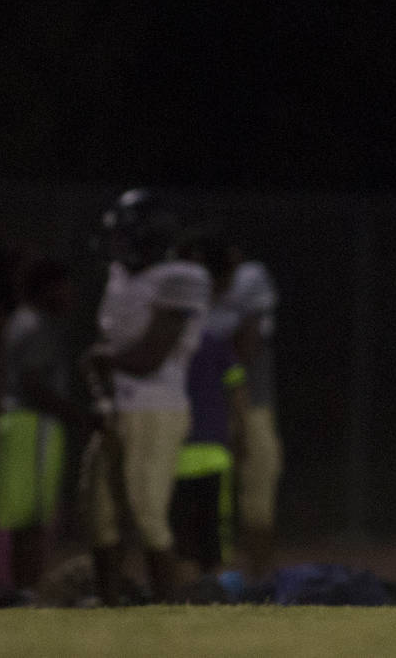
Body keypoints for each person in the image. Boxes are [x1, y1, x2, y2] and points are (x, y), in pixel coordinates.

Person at [82, 188, 211, 604]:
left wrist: (103, 362)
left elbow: (150, 356)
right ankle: (108, 605)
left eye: (125, 234)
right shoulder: (119, 277)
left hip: (156, 409)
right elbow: (110, 348)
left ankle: (166, 608)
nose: (117, 243)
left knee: (147, 512)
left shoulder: (183, 278)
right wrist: (100, 389)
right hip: (117, 406)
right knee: (99, 512)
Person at [0, 257, 84, 604]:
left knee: (24, 518)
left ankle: (24, 591)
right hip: (34, 426)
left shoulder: (20, 320)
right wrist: (76, 415)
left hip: (18, 423)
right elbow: (33, 382)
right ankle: (29, 591)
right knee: (33, 517)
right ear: (46, 287)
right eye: (63, 284)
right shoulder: (36, 325)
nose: (69, 292)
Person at [170, 229, 249, 581]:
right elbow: (236, 391)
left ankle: (181, 588)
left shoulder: (168, 343)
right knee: (213, 535)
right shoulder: (214, 341)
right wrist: (241, 433)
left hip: (175, 449)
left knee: (179, 530)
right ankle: (212, 586)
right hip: (212, 450)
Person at [202, 242, 282, 583]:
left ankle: (259, 581)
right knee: (202, 498)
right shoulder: (189, 290)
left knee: (257, 499)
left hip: (250, 405)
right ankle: (205, 581)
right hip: (203, 408)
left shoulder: (250, 282)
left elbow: (247, 347)